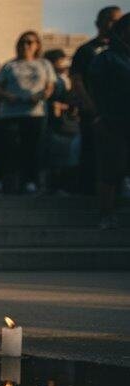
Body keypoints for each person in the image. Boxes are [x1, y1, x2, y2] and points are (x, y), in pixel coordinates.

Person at [0, 31, 56, 195]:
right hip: (11, 112)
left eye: (30, 42)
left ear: (37, 45)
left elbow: (50, 86)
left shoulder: (44, 65)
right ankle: (8, 181)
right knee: (11, 147)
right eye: (22, 42)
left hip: (35, 112)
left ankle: (30, 181)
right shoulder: (9, 65)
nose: (26, 46)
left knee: (33, 148)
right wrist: (8, 96)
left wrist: (40, 95)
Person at [71, 6, 124, 198]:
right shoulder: (86, 50)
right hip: (94, 111)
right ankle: (87, 193)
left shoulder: (123, 52)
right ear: (99, 22)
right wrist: (89, 105)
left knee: (117, 156)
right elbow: (77, 79)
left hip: (118, 114)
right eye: (111, 19)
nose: (115, 23)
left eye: (119, 19)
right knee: (91, 152)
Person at [88, 13, 130, 229]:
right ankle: (106, 213)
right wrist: (98, 116)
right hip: (113, 120)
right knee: (112, 168)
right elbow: (94, 89)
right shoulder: (107, 57)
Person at [43, 49, 80, 196]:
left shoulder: (66, 78)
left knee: (66, 156)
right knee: (58, 157)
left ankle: (63, 185)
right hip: (59, 124)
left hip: (68, 123)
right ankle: (57, 186)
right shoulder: (56, 80)